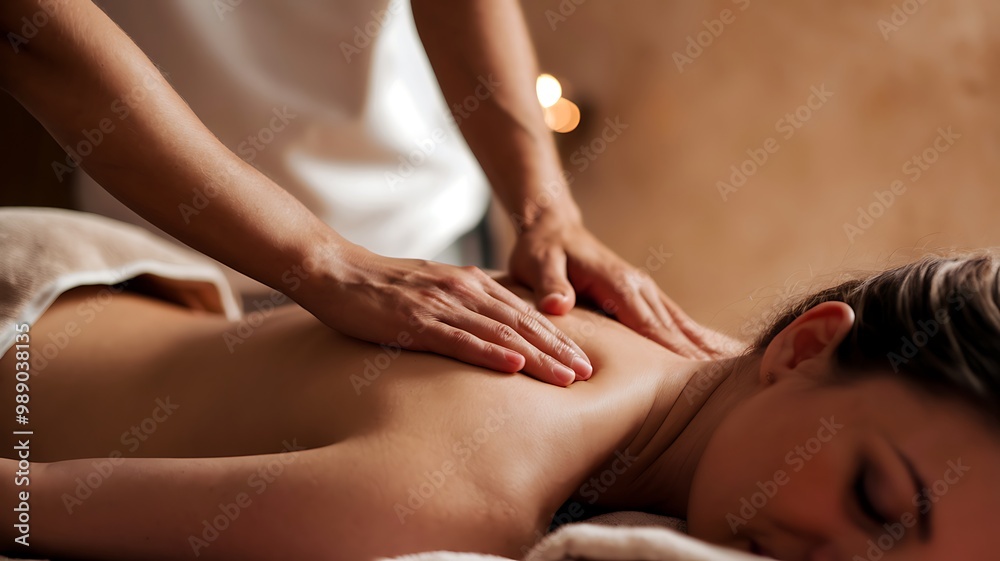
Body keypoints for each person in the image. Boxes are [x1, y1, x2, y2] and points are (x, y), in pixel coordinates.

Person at [2, 237, 997, 559]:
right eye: (873, 499)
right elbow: (22, 505)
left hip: (120, 288)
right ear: (807, 344)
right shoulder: (460, 492)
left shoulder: (693, 374)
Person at [0, 0, 718, 387]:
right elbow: (27, 31)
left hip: (431, 222)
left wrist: (547, 212)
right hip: (167, 246)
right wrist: (324, 263)